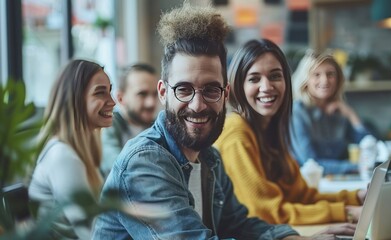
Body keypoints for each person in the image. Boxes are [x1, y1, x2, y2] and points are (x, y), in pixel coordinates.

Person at [92, 4, 355, 240]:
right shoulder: (144, 162)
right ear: (163, 92)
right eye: (183, 89)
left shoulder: (209, 159)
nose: (198, 104)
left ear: (225, 94)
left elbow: (241, 224)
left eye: (211, 90)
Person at [214, 39, 365, 226]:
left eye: (275, 76)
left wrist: (358, 197)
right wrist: (347, 212)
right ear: (238, 85)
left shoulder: (271, 130)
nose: (266, 86)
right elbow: (266, 212)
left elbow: (303, 196)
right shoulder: (236, 131)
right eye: (254, 79)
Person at [28, 59, 115, 239]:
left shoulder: (72, 152)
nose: (112, 101)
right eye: (101, 93)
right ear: (74, 100)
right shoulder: (62, 156)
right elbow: (94, 233)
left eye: (110, 91)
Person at [290, 50, 370, 175]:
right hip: (309, 185)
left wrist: (351, 114)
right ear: (305, 80)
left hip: (338, 182)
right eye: (316, 74)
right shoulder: (297, 112)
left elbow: (368, 145)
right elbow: (311, 164)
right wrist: (355, 167)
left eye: (330, 74)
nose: (325, 80)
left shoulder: (339, 110)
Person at [100, 63, 159, 177]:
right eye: (142, 94)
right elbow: (116, 168)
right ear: (120, 98)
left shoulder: (158, 126)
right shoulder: (107, 126)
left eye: (155, 94)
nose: (151, 102)